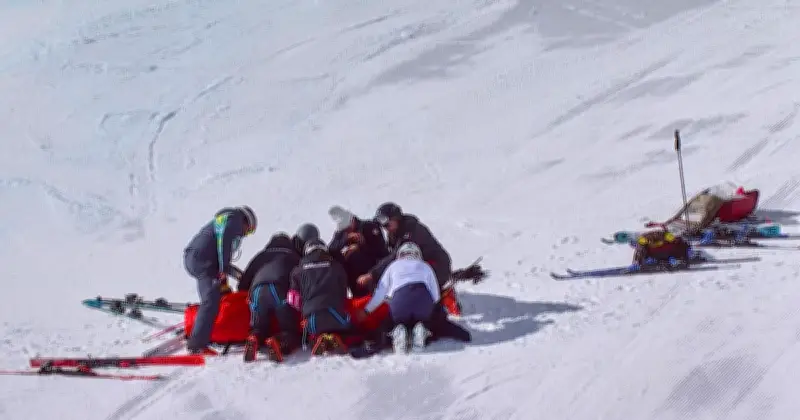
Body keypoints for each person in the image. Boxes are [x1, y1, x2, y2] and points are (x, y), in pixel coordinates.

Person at [358, 202, 461, 315]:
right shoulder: (395, 233)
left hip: (437, 267)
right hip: (422, 266)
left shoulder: (411, 232)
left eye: (386, 222)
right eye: (382, 224)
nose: (385, 227)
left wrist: (373, 274)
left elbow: (395, 257)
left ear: (396, 219)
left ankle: (444, 296)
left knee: (414, 288)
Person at [183, 206, 257, 354]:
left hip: (197, 258)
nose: (244, 235)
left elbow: (220, 253)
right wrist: (223, 268)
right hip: (202, 260)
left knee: (216, 295)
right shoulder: (234, 220)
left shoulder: (224, 220)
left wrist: (237, 274)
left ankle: (206, 330)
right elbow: (224, 243)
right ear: (246, 221)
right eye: (248, 231)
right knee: (210, 299)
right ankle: (197, 344)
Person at [356, 242, 439, 352]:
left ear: (400, 254)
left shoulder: (393, 266)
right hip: (423, 302)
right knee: (421, 317)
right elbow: (436, 296)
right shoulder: (425, 266)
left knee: (395, 318)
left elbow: (380, 293)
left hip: (400, 302)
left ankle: (398, 330)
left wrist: (367, 311)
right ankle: (420, 329)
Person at [239, 232, 302, 363]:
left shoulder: (260, 256)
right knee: (289, 330)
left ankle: (254, 338)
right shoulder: (293, 256)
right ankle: (279, 341)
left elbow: (242, 284)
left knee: (258, 327)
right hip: (278, 290)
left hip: (257, 291)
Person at [287, 238, 352, 355]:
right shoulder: (337, 266)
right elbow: (344, 292)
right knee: (353, 329)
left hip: (312, 317)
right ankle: (335, 337)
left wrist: (303, 309)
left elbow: (292, 299)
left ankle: (317, 338)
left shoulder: (297, 270)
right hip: (335, 313)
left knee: (308, 330)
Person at [327, 205, 389, 297]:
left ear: (352, 220)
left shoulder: (369, 227)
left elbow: (381, 251)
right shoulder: (342, 233)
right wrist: (346, 239)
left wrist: (361, 247)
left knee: (355, 256)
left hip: (373, 269)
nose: (347, 230)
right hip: (353, 276)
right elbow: (331, 249)